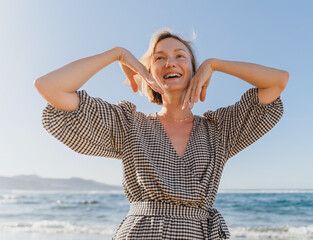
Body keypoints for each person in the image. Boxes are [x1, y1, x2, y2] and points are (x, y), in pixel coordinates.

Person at [34, 29, 288, 240]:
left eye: (180, 56)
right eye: (159, 58)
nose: (170, 62)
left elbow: (277, 81)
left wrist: (215, 64)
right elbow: (49, 86)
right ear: (148, 72)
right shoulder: (128, 124)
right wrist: (117, 54)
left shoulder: (220, 129)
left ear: (195, 71)